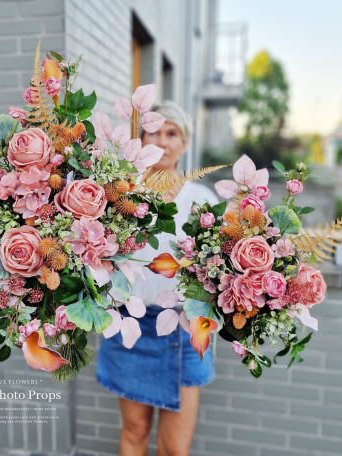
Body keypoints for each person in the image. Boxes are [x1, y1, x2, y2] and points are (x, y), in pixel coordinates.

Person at [96, 100, 219, 456]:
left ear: (184, 144)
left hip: (185, 330)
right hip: (129, 327)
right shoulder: (122, 196)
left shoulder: (203, 201)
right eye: (154, 131)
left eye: (173, 133)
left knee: (175, 449)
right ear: (142, 139)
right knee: (134, 432)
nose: (163, 141)